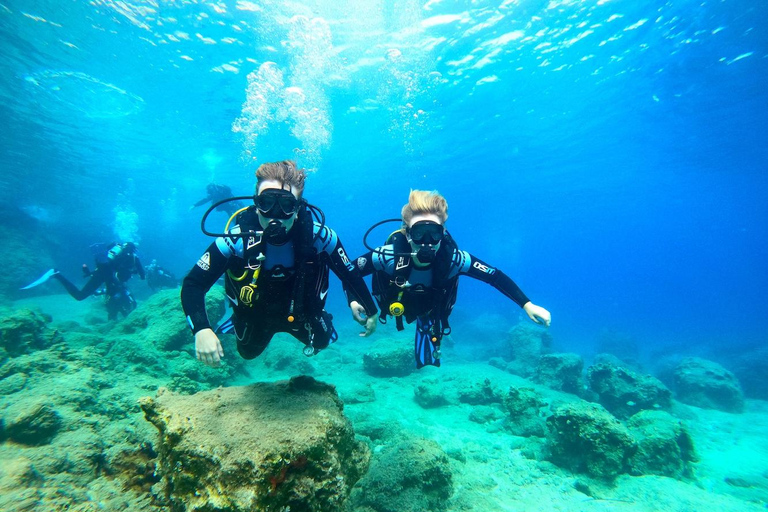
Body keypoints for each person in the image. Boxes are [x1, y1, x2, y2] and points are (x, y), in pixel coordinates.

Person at [181, 160, 378, 367]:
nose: (275, 215)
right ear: (256, 205)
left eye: (286, 205)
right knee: (247, 353)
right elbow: (193, 283)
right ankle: (237, 321)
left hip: (303, 313)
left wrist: (370, 309)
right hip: (255, 315)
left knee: (322, 341)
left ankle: (320, 324)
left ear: (298, 208)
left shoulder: (320, 237)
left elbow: (350, 273)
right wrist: (201, 329)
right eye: (266, 203)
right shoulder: (235, 240)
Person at [352, 190, 551, 369]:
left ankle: (427, 324)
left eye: (434, 233)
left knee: (432, 319)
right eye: (420, 233)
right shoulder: (387, 256)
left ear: (443, 233)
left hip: (432, 306)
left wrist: (527, 304)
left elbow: (495, 276)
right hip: (396, 302)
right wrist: (361, 304)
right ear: (408, 233)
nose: (427, 242)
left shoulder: (455, 259)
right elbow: (349, 271)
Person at [22, 242, 145, 320]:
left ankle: (113, 318)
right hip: (107, 276)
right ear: (134, 249)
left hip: (102, 273)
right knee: (80, 296)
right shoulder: (133, 258)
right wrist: (135, 272)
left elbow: (105, 260)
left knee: (110, 293)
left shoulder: (115, 248)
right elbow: (142, 275)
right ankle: (57, 274)